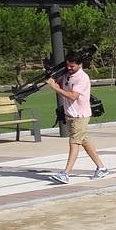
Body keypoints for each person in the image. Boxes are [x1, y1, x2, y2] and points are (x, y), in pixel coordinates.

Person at [45, 54, 109, 184]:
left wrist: (55, 88)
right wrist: (51, 79)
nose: (69, 68)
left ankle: (66, 173)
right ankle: (102, 168)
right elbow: (61, 85)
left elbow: (73, 96)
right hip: (70, 115)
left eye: (72, 66)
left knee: (74, 143)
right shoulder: (67, 74)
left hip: (80, 116)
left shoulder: (82, 78)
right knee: (84, 140)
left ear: (80, 64)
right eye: (67, 65)